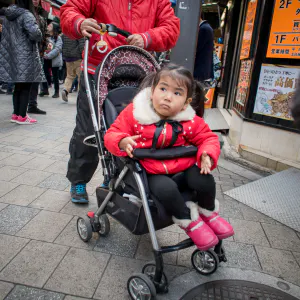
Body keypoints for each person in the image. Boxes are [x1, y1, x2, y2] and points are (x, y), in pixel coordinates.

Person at [60, 0, 180, 203]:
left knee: (132, 130)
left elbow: (171, 28)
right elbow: (69, 10)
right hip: (97, 70)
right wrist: (79, 23)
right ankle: (78, 179)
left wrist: (148, 37)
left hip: (137, 73)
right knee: (88, 129)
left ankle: (116, 179)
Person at [104, 64, 234, 250]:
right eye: (163, 89)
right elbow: (112, 133)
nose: (167, 97)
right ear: (152, 91)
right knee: (167, 189)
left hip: (182, 167)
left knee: (204, 180)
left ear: (186, 102)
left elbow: (208, 138)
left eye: (177, 93)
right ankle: (188, 220)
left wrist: (207, 153)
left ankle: (208, 211)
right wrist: (122, 140)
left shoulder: (189, 121)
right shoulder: (135, 114)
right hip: (150, 170)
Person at [0, 1, 45, 124]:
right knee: (26, 86)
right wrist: (40, 33)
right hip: (26, 55)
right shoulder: (27, 14)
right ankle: (22, 116)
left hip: (13, 54)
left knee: (18, 86)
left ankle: (16, 114)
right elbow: (35, 34)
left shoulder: (9, 15)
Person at [27, 0, 47, 115]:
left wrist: (46, 43)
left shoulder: (41, 16)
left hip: (39, 53)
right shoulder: (26, 14)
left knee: (35, 80)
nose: (35, 0)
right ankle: (21, 109)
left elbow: (44, 34)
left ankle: (32, 104)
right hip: (28, 52)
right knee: (25, 81)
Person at [40, 22, 63, 98]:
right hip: (46, 59)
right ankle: (45, 90)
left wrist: (48, 55)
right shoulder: (45, 36)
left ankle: (56, 92)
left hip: (54, 59)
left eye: (50, 25)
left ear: (54, 28)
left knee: (55, 76)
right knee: (44, 74)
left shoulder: (58, 38)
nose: (48, 26)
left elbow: (58, 49)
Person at [61, 34, 84, 102]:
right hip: (78, 57)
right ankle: (81, 95)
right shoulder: (78, 31)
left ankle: (65, 90)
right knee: (80, 77)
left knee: (69, 76)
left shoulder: (64, 33)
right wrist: (83, 55)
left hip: (68, 57)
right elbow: (81, 44)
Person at [194, 18, 214, 83]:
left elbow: (196, 48)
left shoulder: (203, 29)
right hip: (203, 69)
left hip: (200, 69)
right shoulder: (207, 27)